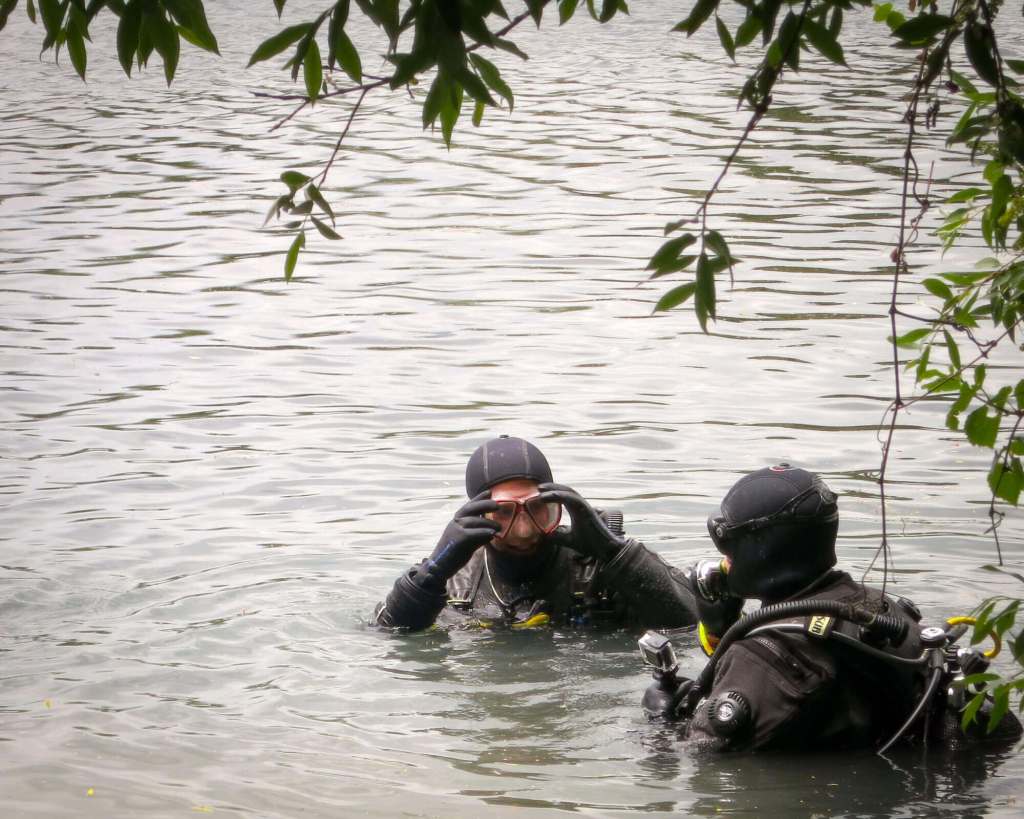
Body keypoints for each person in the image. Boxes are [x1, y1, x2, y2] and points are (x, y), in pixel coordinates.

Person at [641, 464, 1022, 752]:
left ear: (764, 549)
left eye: (730, 545)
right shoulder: (883, 609)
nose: (724, 558)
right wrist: (723, 630)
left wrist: (661, 723)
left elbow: (706, 763)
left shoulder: (762, 661)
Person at [374, 435, 698, 630]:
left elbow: (692, 625)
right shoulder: (453, 581)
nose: (526, 530)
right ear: (476, 514)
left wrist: (614, 552)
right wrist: (434, 568)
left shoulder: (600, 567)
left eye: (537, 508)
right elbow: (389, 636)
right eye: (505, 513)